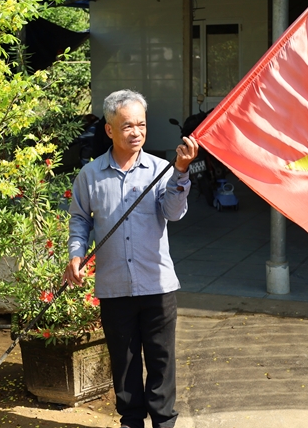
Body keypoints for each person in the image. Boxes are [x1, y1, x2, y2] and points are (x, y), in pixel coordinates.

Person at [63, 89, 198, 428]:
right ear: (109, 130)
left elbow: (173, 212)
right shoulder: (90, 175)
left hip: (157, 285)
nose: (136, 132)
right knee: (124, 365)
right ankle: (131, 422)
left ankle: (164, 423)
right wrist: (76, 254)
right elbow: (79, 219)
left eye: (142, 124)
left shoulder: (161, 170)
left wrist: (181, 172)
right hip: (114, 287)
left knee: (162, 362)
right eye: (128, 126)